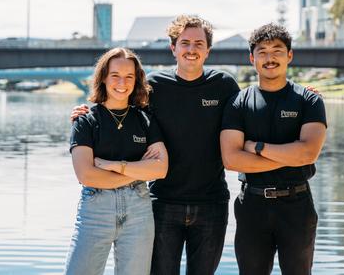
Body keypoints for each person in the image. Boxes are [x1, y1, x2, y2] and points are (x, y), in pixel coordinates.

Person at [71, 15, 240, 275]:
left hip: (211, 203)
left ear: (208, 50)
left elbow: (251, 117)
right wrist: (85, 113)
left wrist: (304, 97)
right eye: (185, 43)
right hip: (162, 202)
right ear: (173, 48)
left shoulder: (225, 85)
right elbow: (120, 110)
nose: (191, 50)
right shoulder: (154, 87)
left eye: (198, 43)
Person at [220, 23, 327, 275]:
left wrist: (256, 147)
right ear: (252, 58)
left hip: (297, 204)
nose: (270, 58)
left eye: (277, 50)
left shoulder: (309, 100)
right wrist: (291, 156)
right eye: (262, 51)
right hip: (252, 205)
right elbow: (231, 159)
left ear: (289, 55)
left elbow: (308, 153)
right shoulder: (238, 103)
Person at [64, 47, 169, 275]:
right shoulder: (86, 121)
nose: (122, 82)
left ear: (136, 80)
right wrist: (139, 170)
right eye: (115, 75)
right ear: (103, 77)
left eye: (129, 76)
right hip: (95, 209)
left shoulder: (145, 120)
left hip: (138, 211)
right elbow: (86, 175)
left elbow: (160, 168)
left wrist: (114, 166)